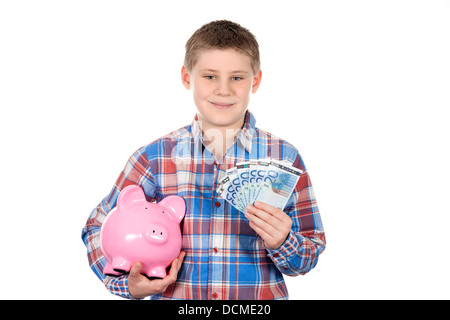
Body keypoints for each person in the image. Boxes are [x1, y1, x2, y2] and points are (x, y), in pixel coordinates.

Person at [81, 20, 326, 300]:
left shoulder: (285, 158)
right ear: (187, 77)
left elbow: (310, 251)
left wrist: (284, 242)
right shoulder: (154, 157)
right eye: (210, 76)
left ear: (255, 81)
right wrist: (126, 285)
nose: (223, 90)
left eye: (237, 77)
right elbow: (97, 226)